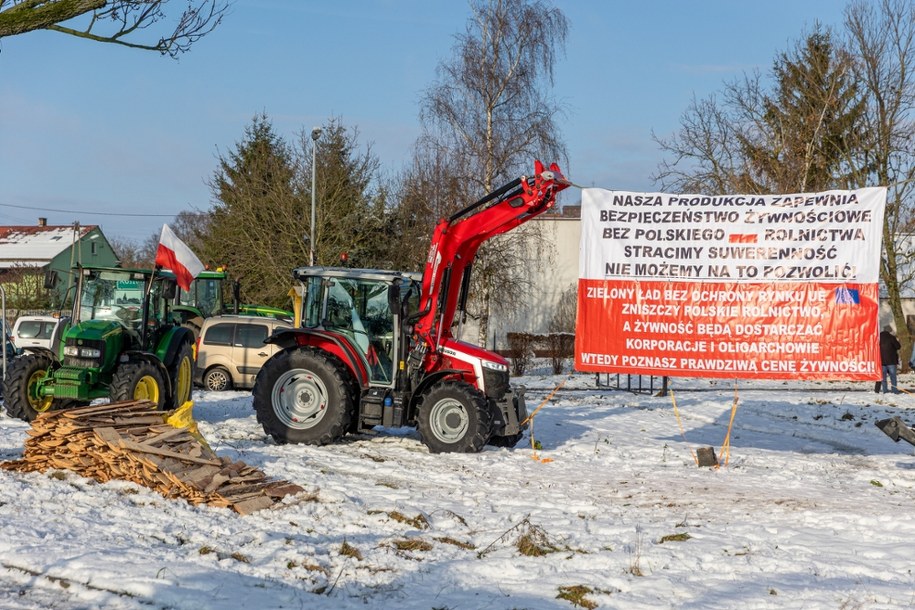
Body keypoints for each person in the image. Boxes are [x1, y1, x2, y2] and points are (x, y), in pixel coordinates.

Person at [879, 325, 901, 394]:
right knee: (893, 376)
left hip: (881, 360)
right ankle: (894, 390)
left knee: (883, 377)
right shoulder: (892, 337)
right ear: (889, 331)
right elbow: (898, 346)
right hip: (891, 360)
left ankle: (885, 390)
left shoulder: (878, 338)